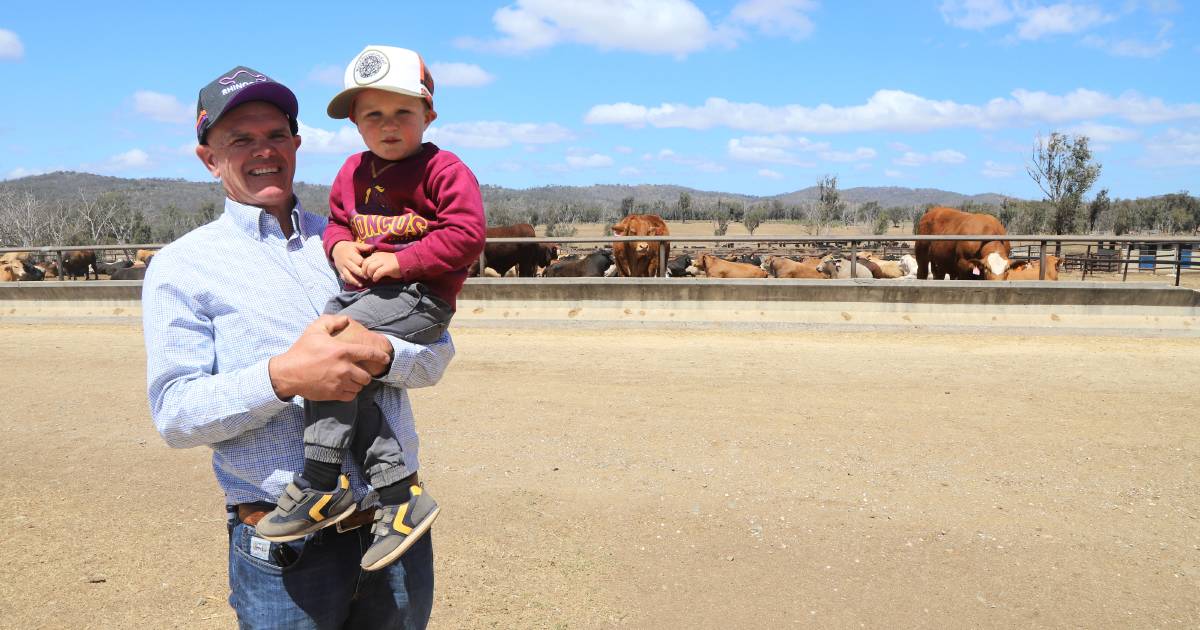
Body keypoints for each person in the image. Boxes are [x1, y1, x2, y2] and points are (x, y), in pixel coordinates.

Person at [143, 64, 450, 628]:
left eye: (275, 135)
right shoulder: (181, 267)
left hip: (394, 532)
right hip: (285, 554)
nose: (263, 151)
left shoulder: (353, 236)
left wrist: (381, 356)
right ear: (209, 158)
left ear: (297, 143)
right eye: (240, 139)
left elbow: (436, 353)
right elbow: (175, 414)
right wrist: (283, 377)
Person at [254, 46, 485, 574]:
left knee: (327, 353)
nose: (388, 126)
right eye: (372, 115)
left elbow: (467, 236)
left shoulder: (444, 170)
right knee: (340, 372)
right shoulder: (351, 172)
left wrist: (400, 261)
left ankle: (319, 480)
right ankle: (399, 492)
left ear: (429, 114)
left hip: (420, 298)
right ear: (355, 123)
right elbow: (337, 224)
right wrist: (336, 247)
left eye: (403, 112)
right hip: (365, 297)